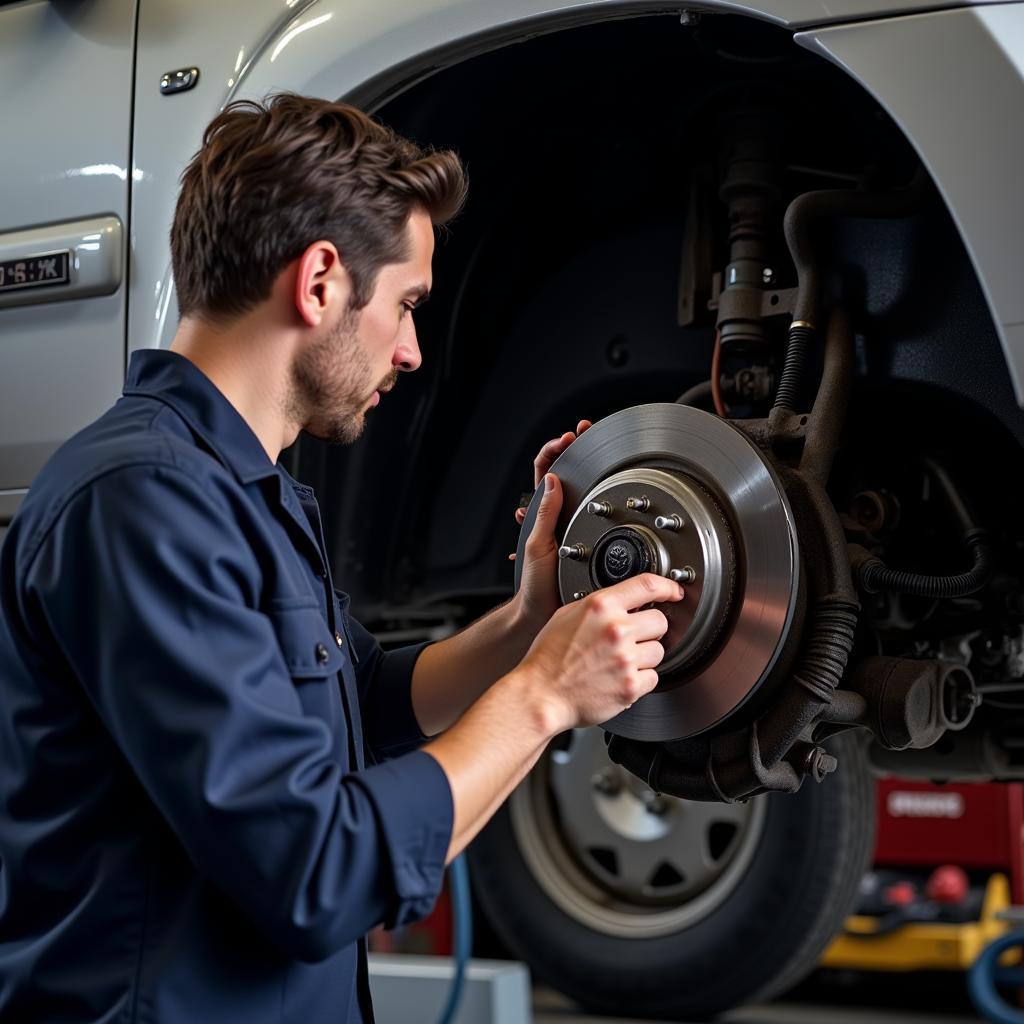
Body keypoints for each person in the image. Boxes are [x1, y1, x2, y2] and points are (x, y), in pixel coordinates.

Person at [0, 93, 681, 1023]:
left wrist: (529, 622)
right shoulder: (141, 503)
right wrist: (545, 698)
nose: (409, 352)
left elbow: (367, 702)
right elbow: (314, 872)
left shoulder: (237, 494)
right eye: (405, 306)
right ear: (320, 281)